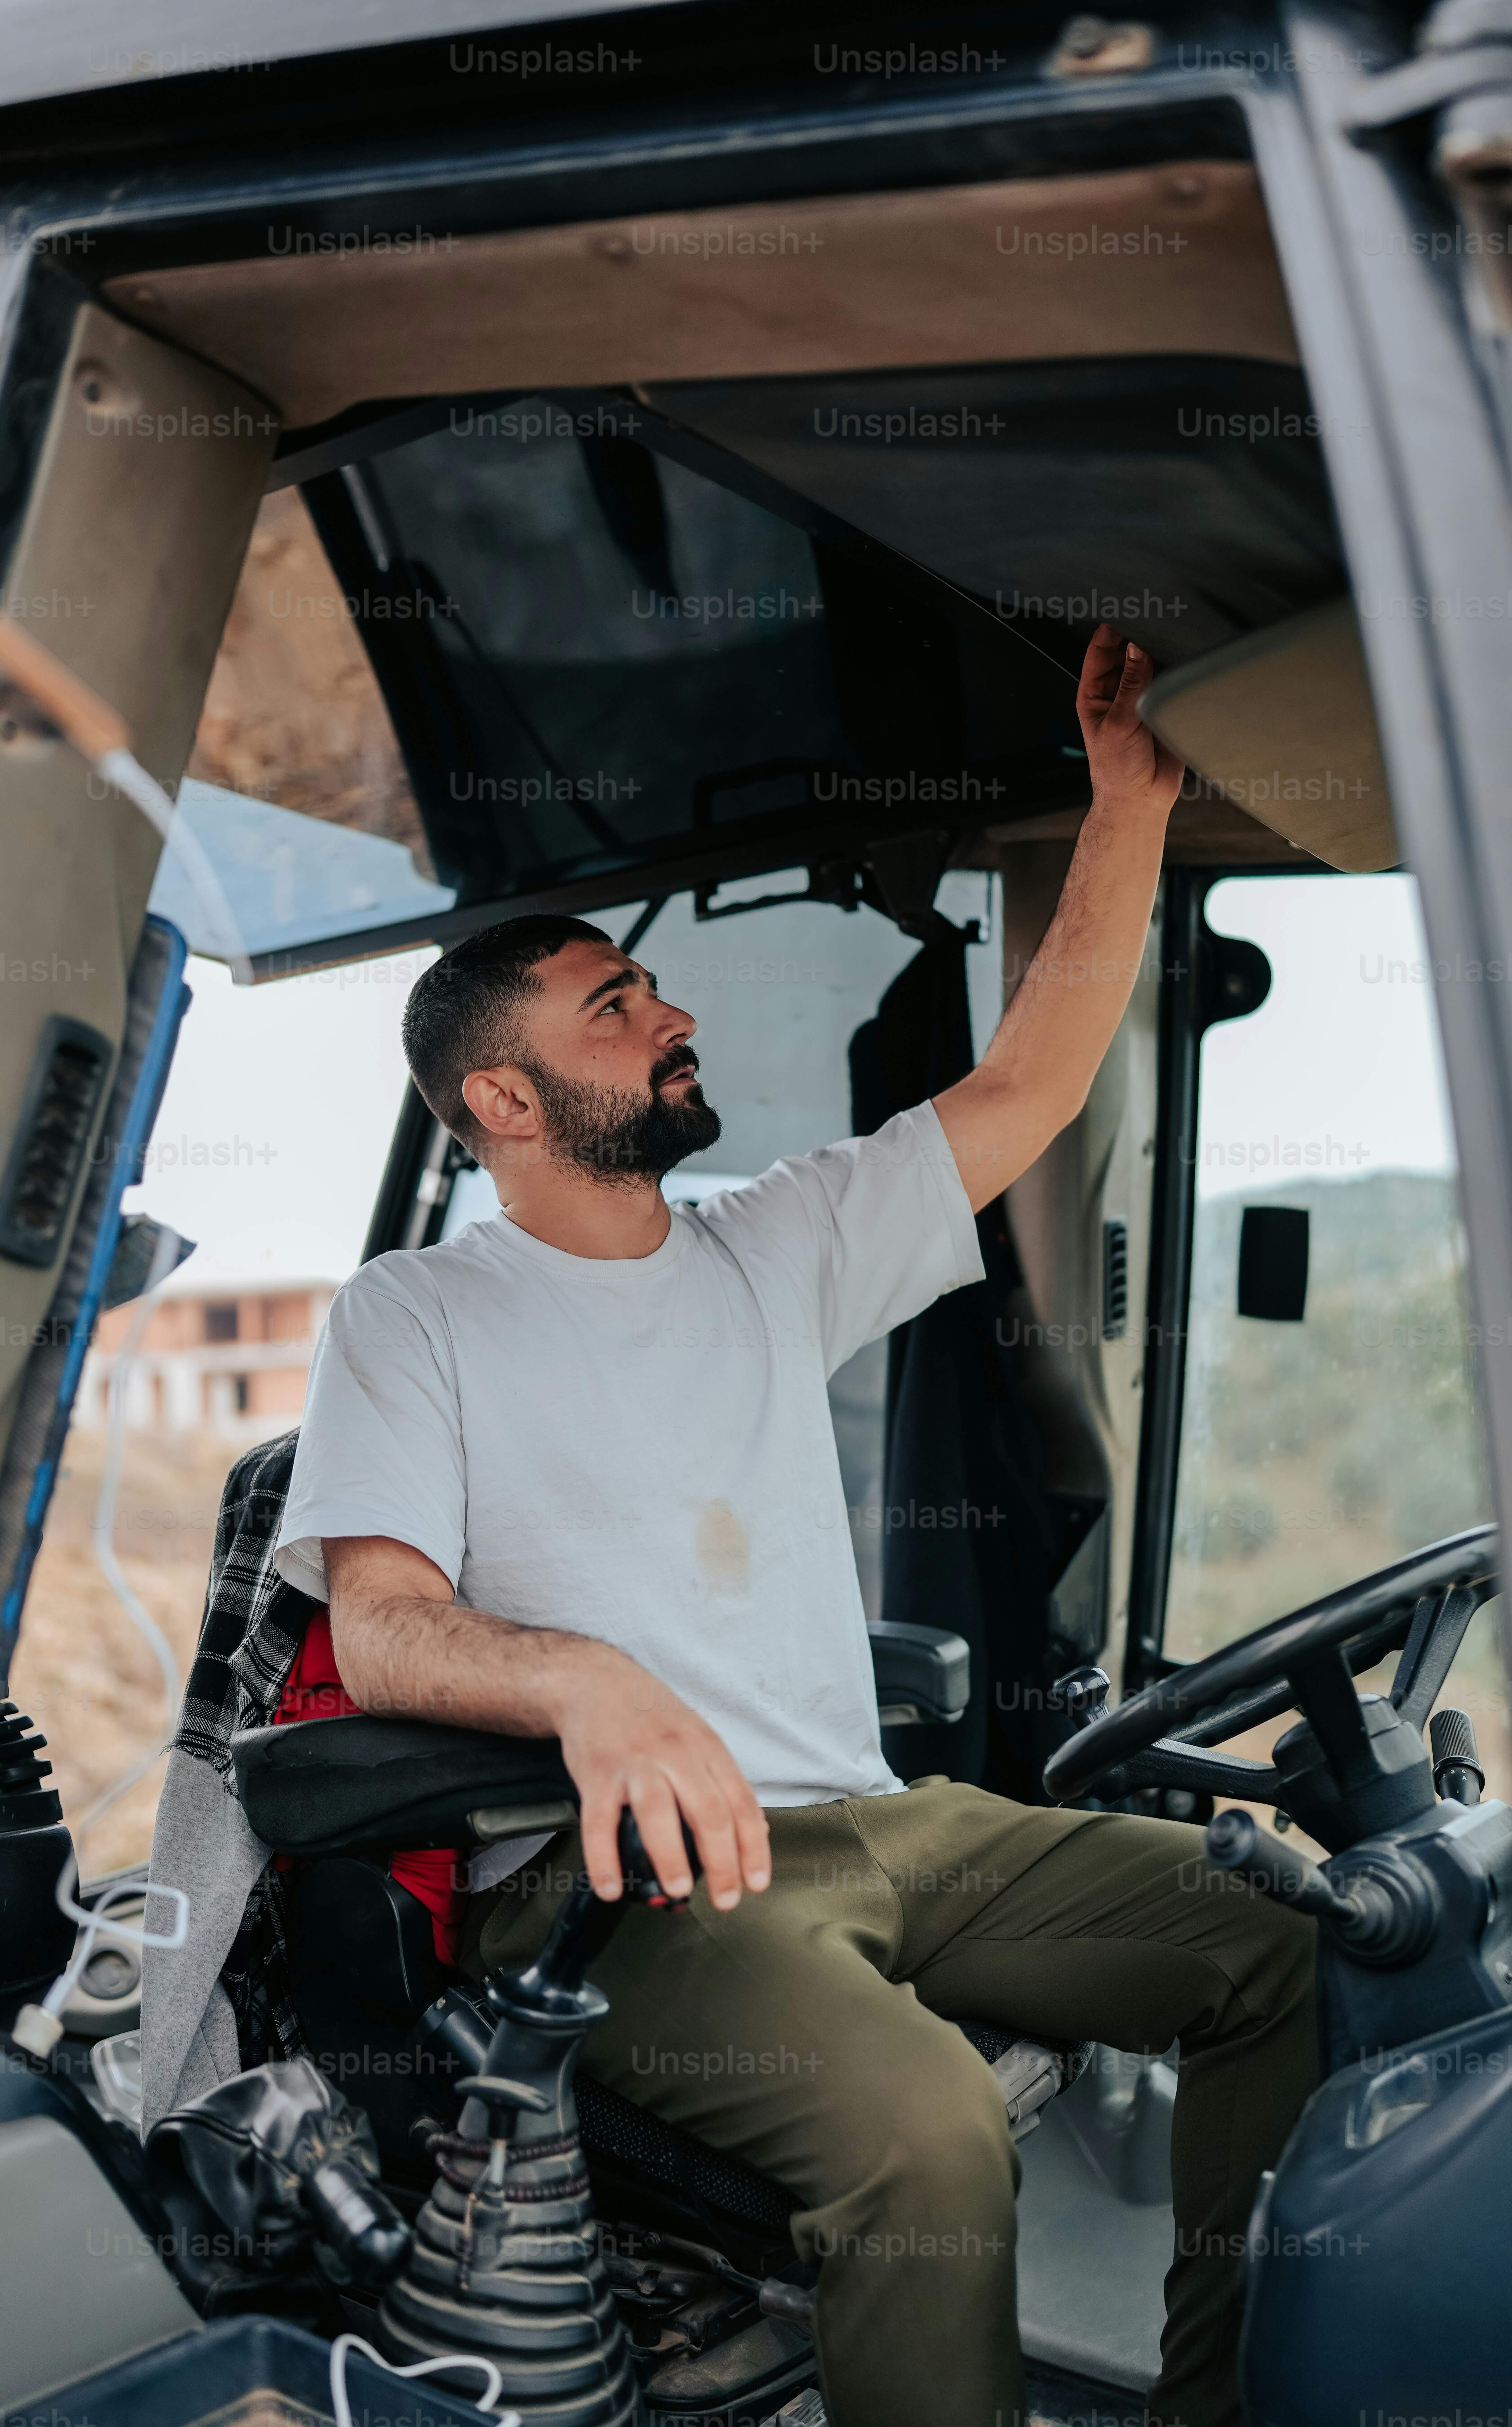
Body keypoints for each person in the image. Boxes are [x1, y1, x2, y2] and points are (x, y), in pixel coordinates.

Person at [274, 626, 1316, 2427]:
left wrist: (1128, 808)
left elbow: (1032, 1085)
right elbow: (377, 1626)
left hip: (879, 1823)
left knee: (1286, 1940)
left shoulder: (774, 1238)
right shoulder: (415, 1314)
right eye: (615, 1006)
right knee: (924, 2138)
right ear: (502, 1105)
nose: (671, 1015)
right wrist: (584, 1680)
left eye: (654, 992)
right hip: (628, 1889)